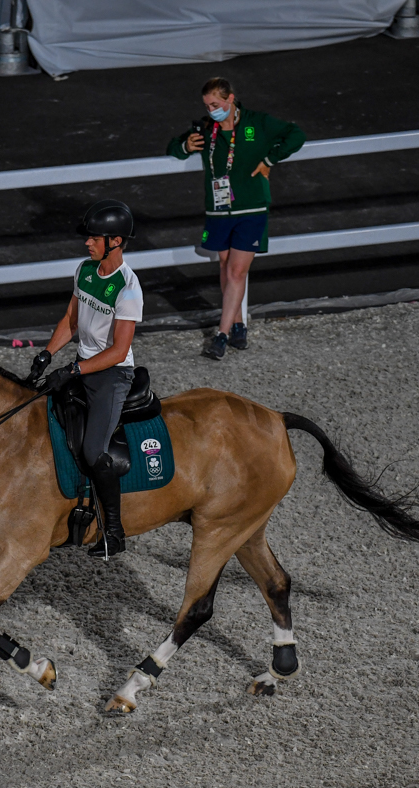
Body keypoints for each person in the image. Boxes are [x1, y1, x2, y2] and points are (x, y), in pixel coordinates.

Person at [28, 200, 144, 559]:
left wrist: (74, 370)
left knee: (95, 450)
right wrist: (47, 354)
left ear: (115, 241)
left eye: (94, 238)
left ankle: (113, 532)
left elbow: (118, 349)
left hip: (112, 375)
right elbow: (71, 319)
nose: (87, 243)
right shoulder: (85, 271)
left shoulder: (128, 289)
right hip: (83, 363)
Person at [166, 78, 306, 360]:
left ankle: (221, 334)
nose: (211, 109)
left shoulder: (257, 122)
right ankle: (238, 323)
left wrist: (269, 161)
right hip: (218, 210)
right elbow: (173, 147)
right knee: (225, 266)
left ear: (230, 98)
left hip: (251, 210)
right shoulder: (207, 128)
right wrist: (185, 146)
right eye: (207, 105)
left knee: (237, 271)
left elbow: (296, 134)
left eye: (215, 104)